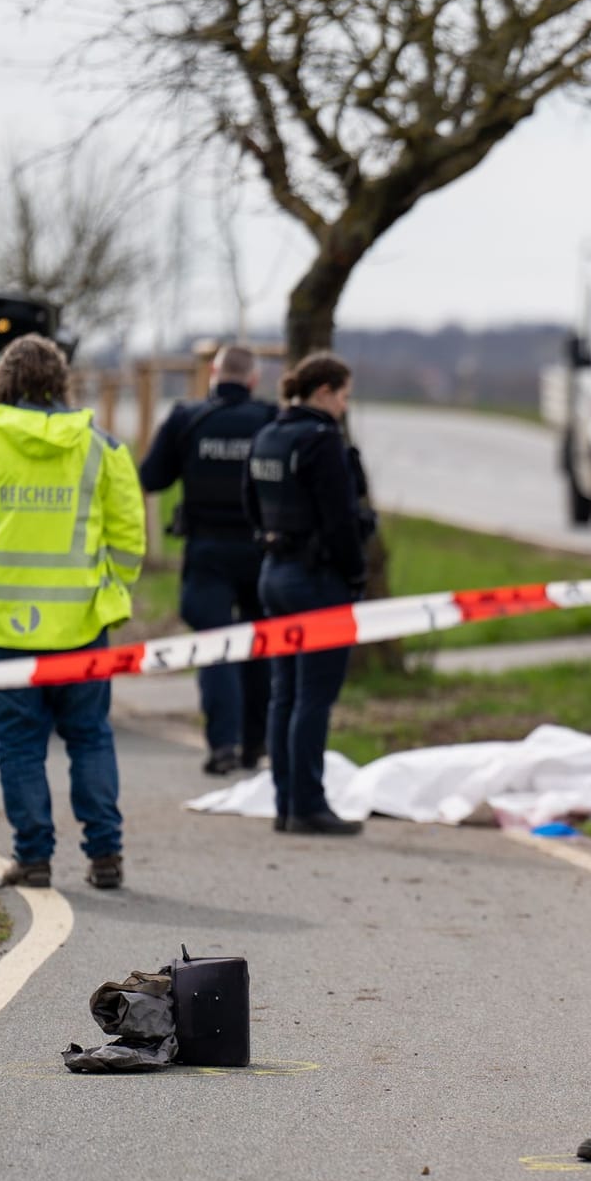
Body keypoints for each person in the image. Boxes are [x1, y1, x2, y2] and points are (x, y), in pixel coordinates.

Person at [0, 335, 144, 889]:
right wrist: (111, 591)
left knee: (20, 745)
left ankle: (34, 858)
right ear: (60, 383)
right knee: (89, 736)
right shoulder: (101, 447)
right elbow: (129, 535)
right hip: (82, 625)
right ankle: (106, 855)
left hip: (3, 627)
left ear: (3, 382)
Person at [242, 352, 372, 837]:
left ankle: (284, 803)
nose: (344, 406)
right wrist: (356, 575)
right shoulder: (321, 442)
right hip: (317, 580)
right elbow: (341, 521)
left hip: (274, 573)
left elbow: (250, 506)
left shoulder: (269, 435)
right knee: (314, 697)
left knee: (285, 693)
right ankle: (308, 805)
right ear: (324, 392)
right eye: (343, 396)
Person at [138, 345, 276, 775]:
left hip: (207, 550)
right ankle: (257, 744)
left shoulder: (188, 418)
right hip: (261, 549)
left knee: (216, 646)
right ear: (253, 379)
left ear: (213, 374)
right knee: (260, 644)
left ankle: (224, 747)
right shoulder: (270, 420)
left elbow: (151, 478)